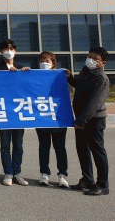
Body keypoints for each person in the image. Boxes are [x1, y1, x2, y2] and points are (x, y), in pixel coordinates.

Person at [66, 46, 110, 196]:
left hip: (94, 120)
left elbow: (94, 103)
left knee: (97, 151)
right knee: (82, 149)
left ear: (102, 63)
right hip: (81, 119)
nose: (90, 60)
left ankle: (103, 185)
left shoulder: (101, 79)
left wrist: (81, 121)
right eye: (89, 56)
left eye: (95, 58)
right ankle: (87, 180)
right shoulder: (85, 72)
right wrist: (70, 77)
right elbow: (78, 84)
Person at [0, 39, 30, 186]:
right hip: (4, 111)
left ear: (15, 51)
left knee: (18, 145)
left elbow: (28, 88)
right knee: (5, 145)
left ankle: (17, 173)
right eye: (5, 49)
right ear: (1, 52)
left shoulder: (21, 68)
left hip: (18, 112)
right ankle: (8, 173)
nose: (8, 51)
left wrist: (26, 75)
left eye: (11, 49)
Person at [35, 51, 69, 188]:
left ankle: (62, 175)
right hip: (41, 117)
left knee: (60, 148)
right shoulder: (34, 76)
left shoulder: (60, 76)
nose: (44, 63)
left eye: (47, 61)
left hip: (57, 118)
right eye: (42, 61)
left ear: (53, 63)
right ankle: (44, 174)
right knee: (44, 148)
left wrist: (68, 76)